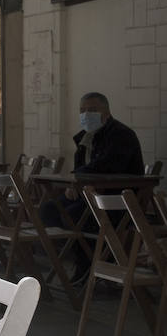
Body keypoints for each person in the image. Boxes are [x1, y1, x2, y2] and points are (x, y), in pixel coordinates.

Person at [40, 92, 145, 283]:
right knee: (48, 210)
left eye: (93, 110)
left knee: (74, 216)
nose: (86, 114)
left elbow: (107, 165)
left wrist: (77, 180)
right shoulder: (84, 139)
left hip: (116, 201)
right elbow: (81, 168)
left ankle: (90, 265)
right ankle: (83, 258)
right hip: (89, 196)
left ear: (106, 111)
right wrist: (74, 185)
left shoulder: (121, 135)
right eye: (83, 110)